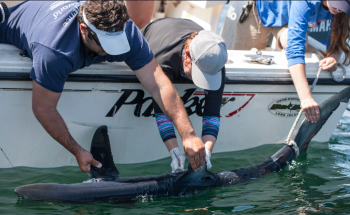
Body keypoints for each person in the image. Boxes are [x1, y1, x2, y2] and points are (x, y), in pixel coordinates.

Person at [0, 1, 206, 173]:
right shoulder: (54, 51)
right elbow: (43, 109)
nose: (111, 52)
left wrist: (188, 134)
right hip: (11, 25)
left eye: (118, 43)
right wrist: (78, 151)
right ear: (83, 29)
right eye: (106, 44)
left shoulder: (126, 31)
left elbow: (158, 83)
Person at [232, 0, 350, 124]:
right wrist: (306, 99)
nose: (339, 9)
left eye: (344, 6)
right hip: (261, 10)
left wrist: (334, 57)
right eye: (337, 4)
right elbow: (295, 50)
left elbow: (339, 37)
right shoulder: (306, 2)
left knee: (298, 42)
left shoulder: (341, 9)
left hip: (289, 19)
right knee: (239, 64)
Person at [142, 18, 227, 173]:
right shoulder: (163, 59)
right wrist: (174, 152)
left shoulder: (214, 59)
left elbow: (212, 114)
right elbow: (162, 112)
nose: (202, 82)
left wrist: (206, 153)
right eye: (199, 74)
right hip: (156, 34)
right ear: (187, 55)